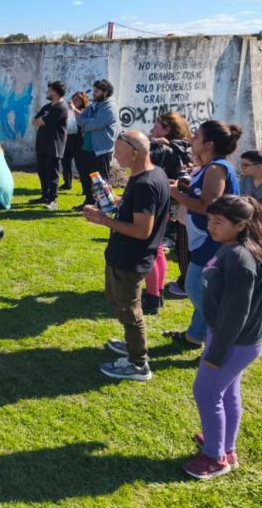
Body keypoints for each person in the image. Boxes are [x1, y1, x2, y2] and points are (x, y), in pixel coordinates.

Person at [182, 195, 262, 480]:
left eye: (218, 222)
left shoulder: (241, 259)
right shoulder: (230, 247)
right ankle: (225, 445)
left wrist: (216, 353)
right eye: (209, 220)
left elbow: (236, 314)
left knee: (206, 391)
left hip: (233, 342)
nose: (211, 227)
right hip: (229, 337)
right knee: (227, 391)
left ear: (241, 225)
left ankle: (215, 459)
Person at [84, 130, 170, 381]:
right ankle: (131, 343)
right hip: (121, 255)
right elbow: (134, 206)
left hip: (131, 259)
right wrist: (115, 198)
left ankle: (138, 363)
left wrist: (103, 220)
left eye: (119, 153)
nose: (115, 158)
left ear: (135, 153)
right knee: (116, 299)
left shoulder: (145, 184)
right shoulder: (146, 174)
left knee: (130, 312)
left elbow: (143, 231)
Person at [165, 121, 241, 348]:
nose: (191, 139)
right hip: (207, 236)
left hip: (214, 239)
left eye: (196, 136)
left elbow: (209, 206)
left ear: (209, 144)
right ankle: (195, 336)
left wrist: (175, 193)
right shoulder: (211, 166)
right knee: (206, 289)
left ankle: (223, 334)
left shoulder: (217, 168)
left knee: (196, 287)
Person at [144, 111, 192, 313]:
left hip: (156, 201)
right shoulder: (185, 148)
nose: (153, 128)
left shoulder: (163, 149)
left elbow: (143, 166)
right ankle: (158, 290)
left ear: (167, 130)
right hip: (173, 203)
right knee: (159, 247)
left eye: (157, 125)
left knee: (150, 248)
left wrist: (151, 143)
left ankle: (153, 296)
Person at [75, 79, 118, 211]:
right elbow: (80, 120)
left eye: (97, 91)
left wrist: (86, 122)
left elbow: (96, 124)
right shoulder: (94, 105)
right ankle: (89, 202)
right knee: (86, 176)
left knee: (100, 179)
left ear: (105, 92)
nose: (94, 94)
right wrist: (87, 122)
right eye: (94, 90)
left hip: (101, 149)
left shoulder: (110, 107)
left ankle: (105, 205)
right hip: (87, 147)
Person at [31, 81, 69, 210]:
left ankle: (53, 200)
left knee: (52, 174)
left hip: (54, 145)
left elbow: (41, 121)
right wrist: (39, 121)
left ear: (54, 92)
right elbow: (34, 121)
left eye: (49, 90)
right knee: (42, 172)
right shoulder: (47, 107)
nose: (47, 92)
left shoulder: (61, 107)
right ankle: (45, 196)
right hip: (42, 144)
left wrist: (40, 121)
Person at [60, 91, 89, 191]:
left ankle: (85, 188)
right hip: (68, 138)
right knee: (65, 161)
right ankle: (67, 183)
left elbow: (83, 118)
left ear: (82, 101)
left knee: (80, 164)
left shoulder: (85, 110)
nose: (74, 101)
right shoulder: (70, 109)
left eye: (77, 100)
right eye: (73, 99)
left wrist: (74, 109)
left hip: (79, 139)